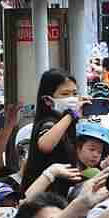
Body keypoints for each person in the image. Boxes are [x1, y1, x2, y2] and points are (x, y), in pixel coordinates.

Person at [21, 70, 80, 198]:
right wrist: (71, 115)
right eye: (65, 94)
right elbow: (45, 145)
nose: (72, 98)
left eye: (75, 94)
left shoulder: (65, 122)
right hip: (42, 199)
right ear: (48, 100)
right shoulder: (49, 122)